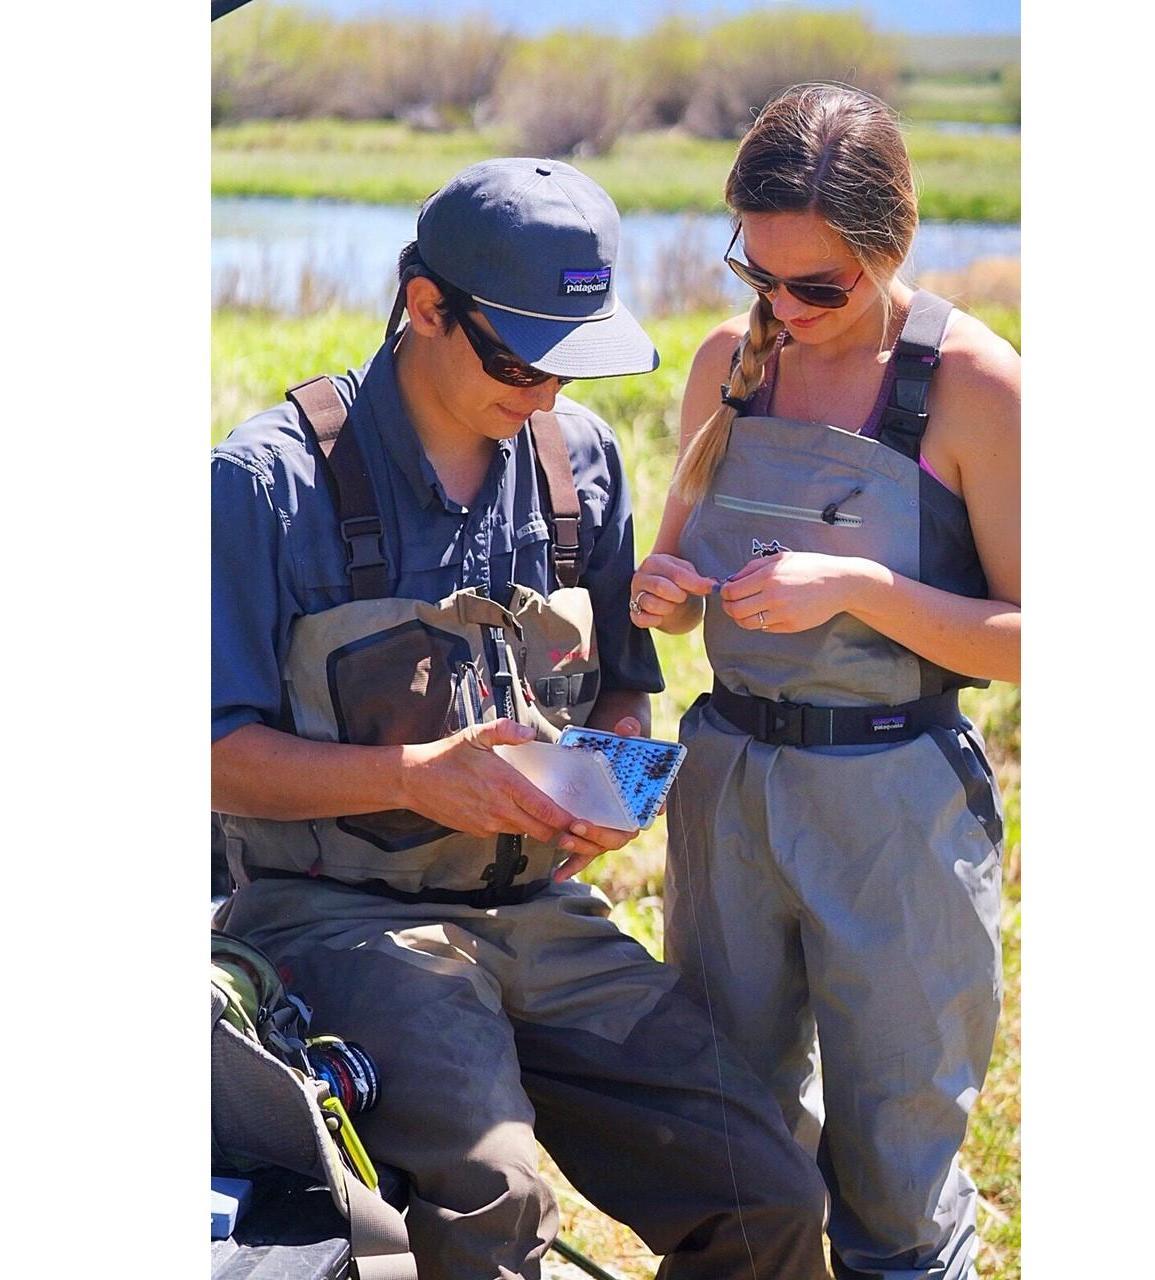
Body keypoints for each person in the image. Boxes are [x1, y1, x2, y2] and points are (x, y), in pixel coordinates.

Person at [211, 157, 830, 1280]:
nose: (544, 391)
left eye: (569, 361)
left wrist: (616, 782)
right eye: (517, 359)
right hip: (333, 920)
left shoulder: (581, 459)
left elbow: (622, 688)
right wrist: (411, 775)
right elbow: (210, 760)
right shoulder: (263, 484)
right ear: (423, 304)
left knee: (769, 1189)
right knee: (497, 1193)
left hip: (542, 910)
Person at [628, 84, 1020, 1280]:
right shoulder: (725, 367)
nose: (784, 312)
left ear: (891, 244)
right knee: (731, 1145)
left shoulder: (976, 387)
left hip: (892, 812)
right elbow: (688, 575)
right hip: (727, 793)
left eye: (819, 287)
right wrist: (667, 590)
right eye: (761, 276)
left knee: (894, 1179)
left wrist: (853, 587)